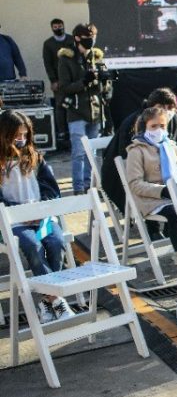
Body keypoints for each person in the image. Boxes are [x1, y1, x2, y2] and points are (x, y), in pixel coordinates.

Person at [0, 110, 76, 323]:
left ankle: (46, 302)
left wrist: (40, 210)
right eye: (16, 135)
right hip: (12, 222)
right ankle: (57, 300)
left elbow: (52, 189)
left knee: (56, 242)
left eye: (24, 135)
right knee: (33, 246)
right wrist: (21, 212)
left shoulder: (36, 158)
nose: (21, 139)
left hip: (41, 217)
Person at [101, 88, 177, 220]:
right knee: (174, 212)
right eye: (161, 106)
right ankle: (153, 228)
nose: (166, 111)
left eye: (170, 107)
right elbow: (130, 167)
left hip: (173, 188)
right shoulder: (135, 125)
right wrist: (162, 189)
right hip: (136, 184)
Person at [125, 107, 177, 253]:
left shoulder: (172, 146)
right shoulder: (137, 150)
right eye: (154, 126)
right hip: (151, 200)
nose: (159, 130)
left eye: (162, 126)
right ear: (144, 127)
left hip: (176, 193)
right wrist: (162, 191)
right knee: (176, 213)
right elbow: (135, 184)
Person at [57, 23, 110, 194]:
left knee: (92, 153)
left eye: (93, 37)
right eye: (88, 38)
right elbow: (64, 87)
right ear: (77, 38)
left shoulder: (96, 56)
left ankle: (90, 186)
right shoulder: (67, 58)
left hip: (95, 111)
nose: (91, 41)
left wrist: (105, 82)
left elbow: (105, 86)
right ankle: (78, 188)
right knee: (79, 152)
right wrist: (84, 82)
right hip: (77, 111)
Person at [42, 18, 73, 148]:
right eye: (55, 27)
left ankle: (72, 131)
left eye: (60, 26)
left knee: (72, 105)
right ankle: (62, 132)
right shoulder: (48, 44)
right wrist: (53, 80)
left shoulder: (71, 40)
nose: (58, 28)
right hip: (59, 81)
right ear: (52, 28)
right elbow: (48, 63)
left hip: (72, 79)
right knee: (60, 107)